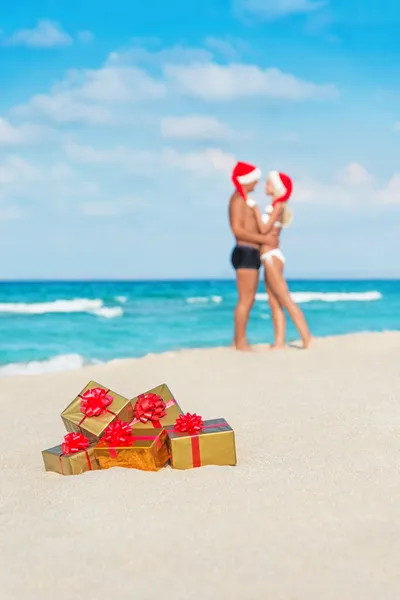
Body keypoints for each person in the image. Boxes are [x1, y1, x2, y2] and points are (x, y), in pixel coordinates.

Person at [251, 171, 312, 350]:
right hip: (267, 257)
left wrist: (253, 210)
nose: (265, 186)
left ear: (276, 188)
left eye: (268, 183)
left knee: (284, 299)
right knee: (274, 302)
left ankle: (307, 338)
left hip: (271, 257)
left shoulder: (277, 206)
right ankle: (279, 343)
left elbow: (263, 230)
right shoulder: (274, 206)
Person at [229, 161, 274, 351]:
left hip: (251, 252)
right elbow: (237, 230)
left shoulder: (245, 200)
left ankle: (239, 340)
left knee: (249, 299)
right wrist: (264, 239)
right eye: (255, 180)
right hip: (245, 252)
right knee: (245, 300)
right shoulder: (238, 200)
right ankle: (240, 342)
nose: (257, 183)